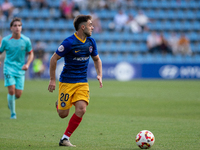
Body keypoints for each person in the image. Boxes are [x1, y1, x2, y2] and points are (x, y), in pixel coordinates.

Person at [48, 14, 103, 147]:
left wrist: (99, 75)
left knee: (81, 109)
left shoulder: (91, 42)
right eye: (90, 25)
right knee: (63, 114)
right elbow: (53, 59)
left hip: (82, 82)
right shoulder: (69, 42)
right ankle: (59, 105)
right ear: (83, 27)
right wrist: (52, 80)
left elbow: (96, 59)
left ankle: (65, 138)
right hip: (67, 82)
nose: (93, 27)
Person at [0, 17, 34, 119]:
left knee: (18, 94)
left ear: (21, 28)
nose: (17, 28)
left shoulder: (26, 40)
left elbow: (31, 54)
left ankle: (10, 101)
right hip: (8, 68)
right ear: (11, 28)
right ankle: (13, 114)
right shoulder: (6, 40)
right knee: (11, 90)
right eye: (15, 26)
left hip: (20, 69)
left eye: (19, 26)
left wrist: (27, 64)